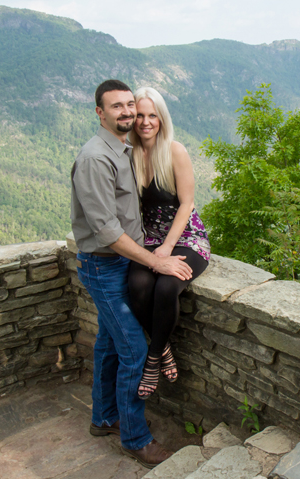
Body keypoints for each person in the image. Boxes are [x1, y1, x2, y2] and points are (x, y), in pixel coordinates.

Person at [70, 79, 192, 469]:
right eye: (118, 107)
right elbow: (106, 230)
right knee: (135, 351)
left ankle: (104, 417)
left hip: (121, 261)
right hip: (104, 266)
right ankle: (135, 438)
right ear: (99, 113)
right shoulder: (95, 158)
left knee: (108, 343)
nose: (126, 114)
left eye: (130, 106)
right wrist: (157, 261)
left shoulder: (123, 149)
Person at [127, 87, 210, 400]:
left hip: (187, 237)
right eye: (140, 115)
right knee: (136, 285)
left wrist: (166, 248)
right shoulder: (131, 154)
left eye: (152, 115)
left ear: (161, 119)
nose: (146, 122)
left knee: (165, 286)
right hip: (149, 239)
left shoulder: (174, 151)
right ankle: (165, 349)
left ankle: (152, 359)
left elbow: (187, 204)